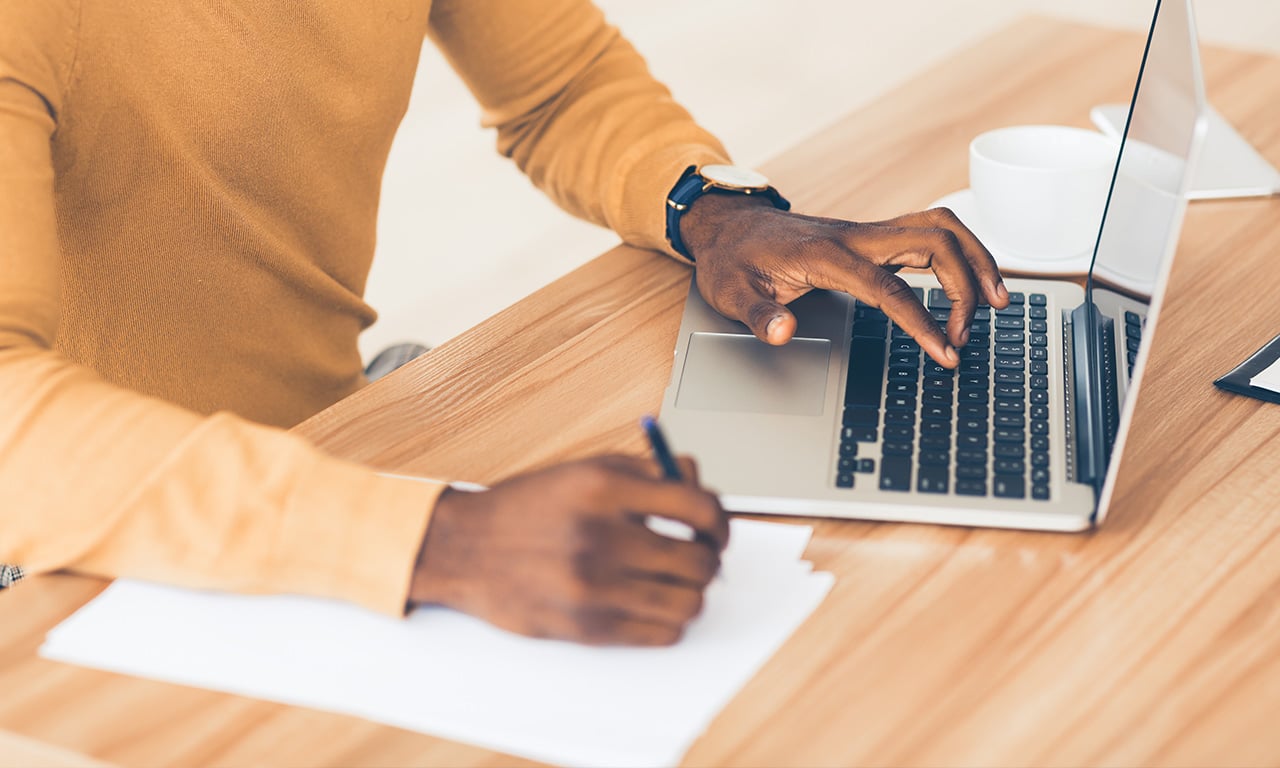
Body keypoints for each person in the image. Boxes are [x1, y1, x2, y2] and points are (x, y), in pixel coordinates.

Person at [0, 0, 1007, 645]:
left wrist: (715, 212)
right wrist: (442, 539)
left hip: (325, 438)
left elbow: (559, 85)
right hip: (79, 533)